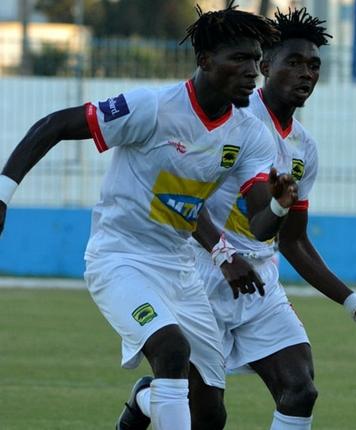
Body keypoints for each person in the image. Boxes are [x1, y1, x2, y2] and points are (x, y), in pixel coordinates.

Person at [0, 4, 296, 430]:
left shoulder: (249, 134)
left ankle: (143, 401)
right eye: (240, 58)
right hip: (119, 259)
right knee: (171, 349)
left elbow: (259, 225)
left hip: (180, 272)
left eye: (255, 59)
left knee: (208, 413)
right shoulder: (151, 108)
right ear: (205, 60)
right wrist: (3, 196)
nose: (253, 70)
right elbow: (53, 125)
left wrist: (278, 207)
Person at [184, 8, 356, 430]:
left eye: (313, 65)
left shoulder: (304, 149)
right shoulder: (233, 119)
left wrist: (352, 302)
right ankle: (147, 398)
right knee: (206, 415)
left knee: (300, 389)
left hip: (258, 279)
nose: (306, 73)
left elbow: (293, 240)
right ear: (266, 65)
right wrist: (222, 254)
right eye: (293, 62)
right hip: (200, 273)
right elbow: (183, 200)